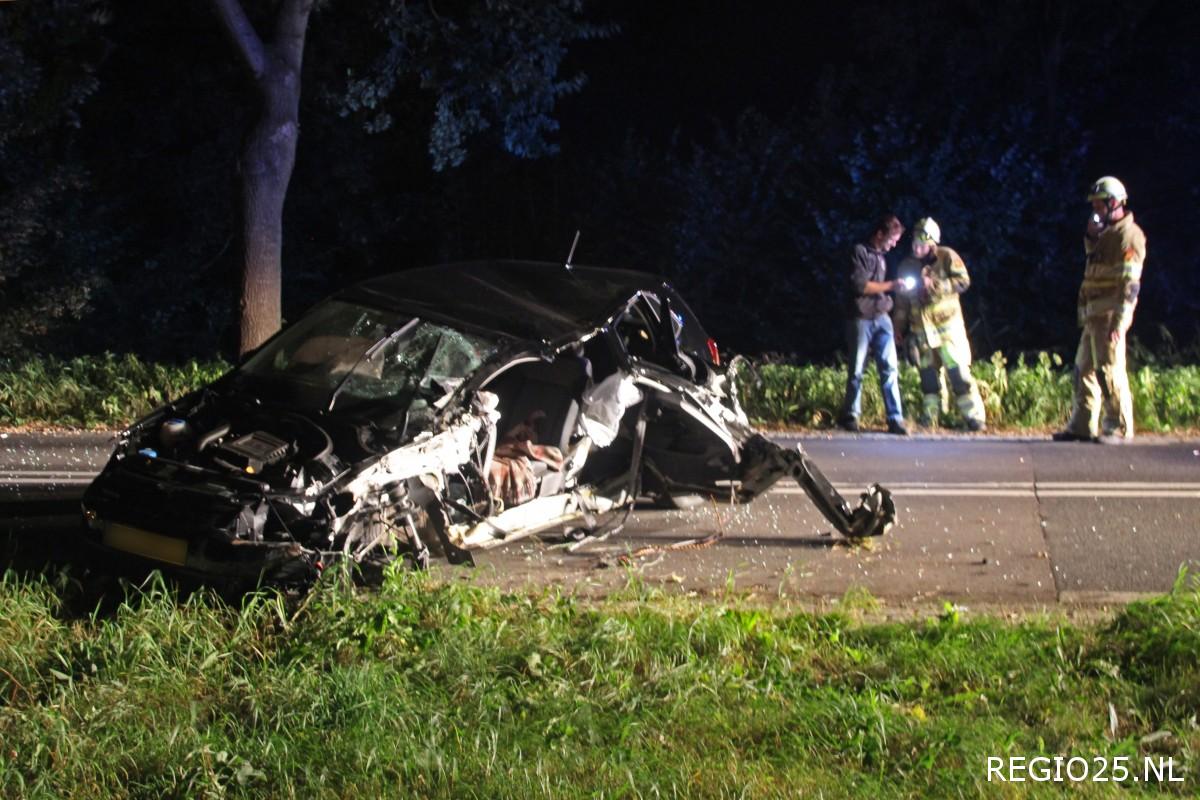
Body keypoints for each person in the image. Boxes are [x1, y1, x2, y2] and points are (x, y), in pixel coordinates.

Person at [1053, 176, 1146, 444]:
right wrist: (1091, 238)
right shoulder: (1106, 235)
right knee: (1083, 370)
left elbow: (1130, 285)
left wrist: (1120, 322)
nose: (1096, 210)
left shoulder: (1129, 236)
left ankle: (1119, 427)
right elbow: (1095, 267)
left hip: (1109, 316)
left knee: (1110, 370)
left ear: (1114, 203)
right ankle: (1082, 426)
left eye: (1099, 205)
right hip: (1093, 315)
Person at [892, 217, 986, 432]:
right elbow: (901, 304)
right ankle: (931, 416)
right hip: (921, 334)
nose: (916, 248)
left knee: (959, 375)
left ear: (932, 242)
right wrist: (898, 328)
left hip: (948, 332)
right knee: (928, 378)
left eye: (921, 244)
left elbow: (963, 281)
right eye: (914, 244)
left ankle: (974, 417)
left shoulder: (947, 256)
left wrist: (936, 285)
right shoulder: (907, 265)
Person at [839, 214, 907, 435]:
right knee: (857, 369)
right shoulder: (859, 252)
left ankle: (895, 419)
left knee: (890, 368)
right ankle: (850, 416)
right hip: (861, 318)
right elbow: (860, 286)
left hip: (882, 318)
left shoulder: (882, 256)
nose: (894, 243)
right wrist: (891, 285)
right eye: (892, 238)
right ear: (880, 234)